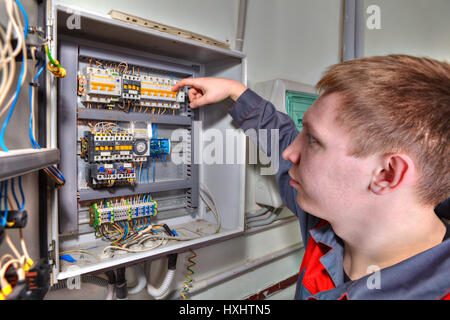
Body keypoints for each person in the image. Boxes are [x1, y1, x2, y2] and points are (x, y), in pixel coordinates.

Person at [172, 54, 450, 300]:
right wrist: (236, 91)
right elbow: (282, 138)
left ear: (387, 173)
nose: (290, 153)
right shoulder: (329, 220)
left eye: (314, 140)